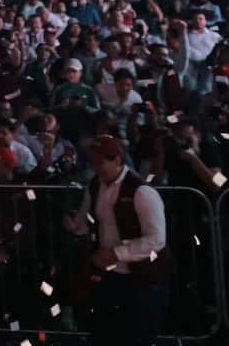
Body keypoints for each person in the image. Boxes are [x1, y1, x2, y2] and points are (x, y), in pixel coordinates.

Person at [66, 135, 171, 346]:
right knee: (106, 333)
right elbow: (88, 219)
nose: (96, 167)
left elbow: (157, 239)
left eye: (100, 162)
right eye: (93, 162)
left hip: (142, 277)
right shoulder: (94, 186)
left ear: (117, 160)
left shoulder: (142, 192)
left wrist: (117, 253)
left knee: (137, 335)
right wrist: (76, 226)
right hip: (107, 275)